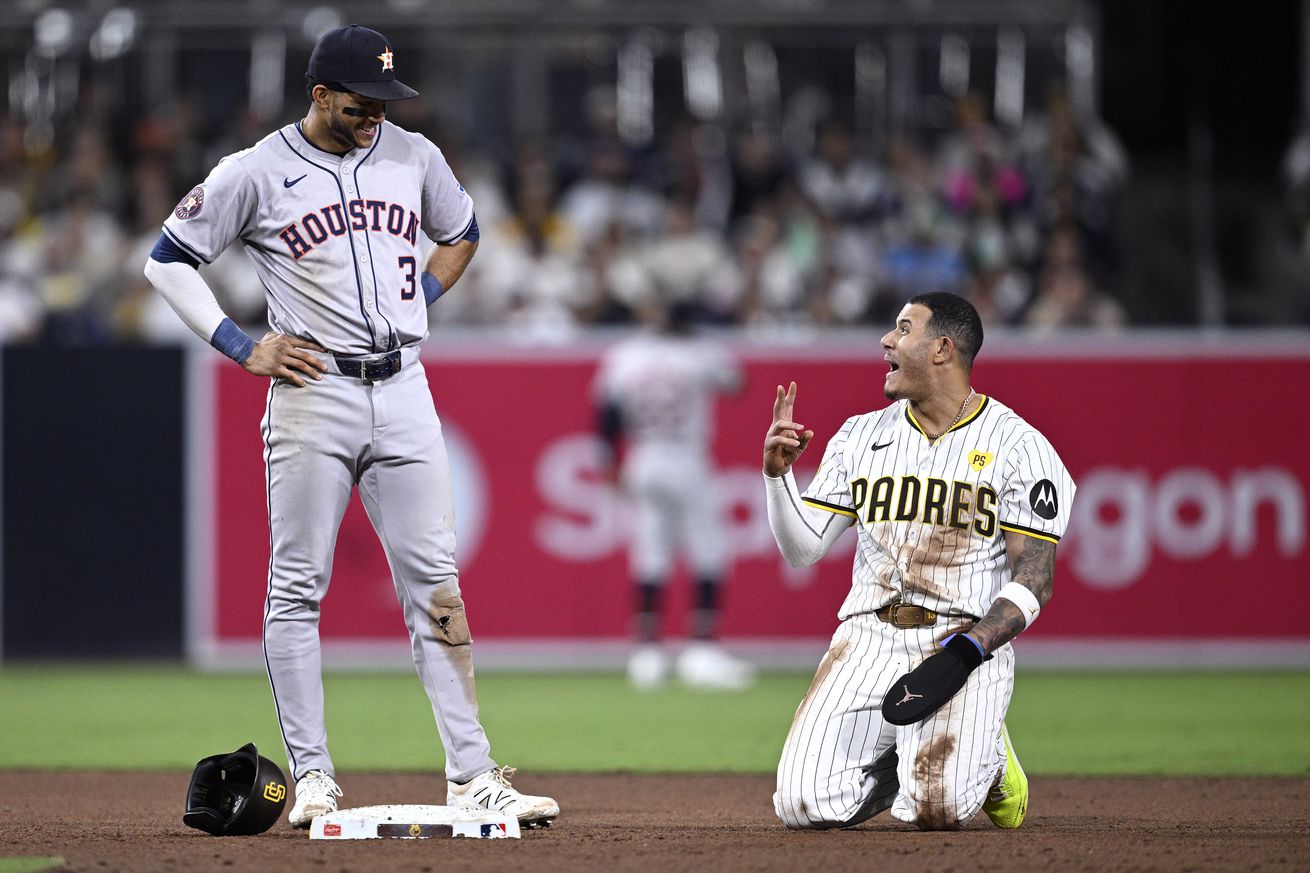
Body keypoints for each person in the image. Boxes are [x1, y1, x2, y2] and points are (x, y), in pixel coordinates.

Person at [142, 24, 558, 829]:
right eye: (362, 100)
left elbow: (461, 233)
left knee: (437, 586)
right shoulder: (255, 171)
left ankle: (473, 775)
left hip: (404, 383)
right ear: (320, 93)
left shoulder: (413, 153)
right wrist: (238, 342)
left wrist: (417, 304)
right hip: (313, 387)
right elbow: (166, 259)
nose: (377, 114)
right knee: (298, 586)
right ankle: (314, 778)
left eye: (386, 99)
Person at [761, 291, 1074, 830]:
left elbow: (1035, 579)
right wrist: (778, 475)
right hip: (868, 637)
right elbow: (803, 549)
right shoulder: (860, 435)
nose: (886, 340)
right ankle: (912, 754)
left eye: (903, 329)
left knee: (940, 808)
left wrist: (966, 654)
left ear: (942, 350)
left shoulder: (1019, 445)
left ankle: (993, 761)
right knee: (801, 807)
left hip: (963, 637)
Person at [593, 300, 754, 690]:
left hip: (643, 458)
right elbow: (737, 382)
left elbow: (606, 416)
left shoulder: (625, 355)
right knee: (709, 548)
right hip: (685, 457)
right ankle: (701, 649)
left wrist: (610, 464)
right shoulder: (699, 353)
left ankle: (647, 653)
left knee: (651, 550)